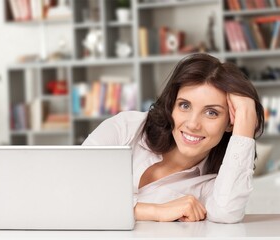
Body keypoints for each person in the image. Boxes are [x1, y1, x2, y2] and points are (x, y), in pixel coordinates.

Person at [82, 53, 264, 223]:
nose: (193, 124)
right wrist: (155, 211)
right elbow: (75, 190)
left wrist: (247, 115)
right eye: (184, 105)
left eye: (211, 112)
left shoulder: (215, 182)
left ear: (230, 123)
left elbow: (227, 212)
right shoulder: (126, 128)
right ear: (172, 106)